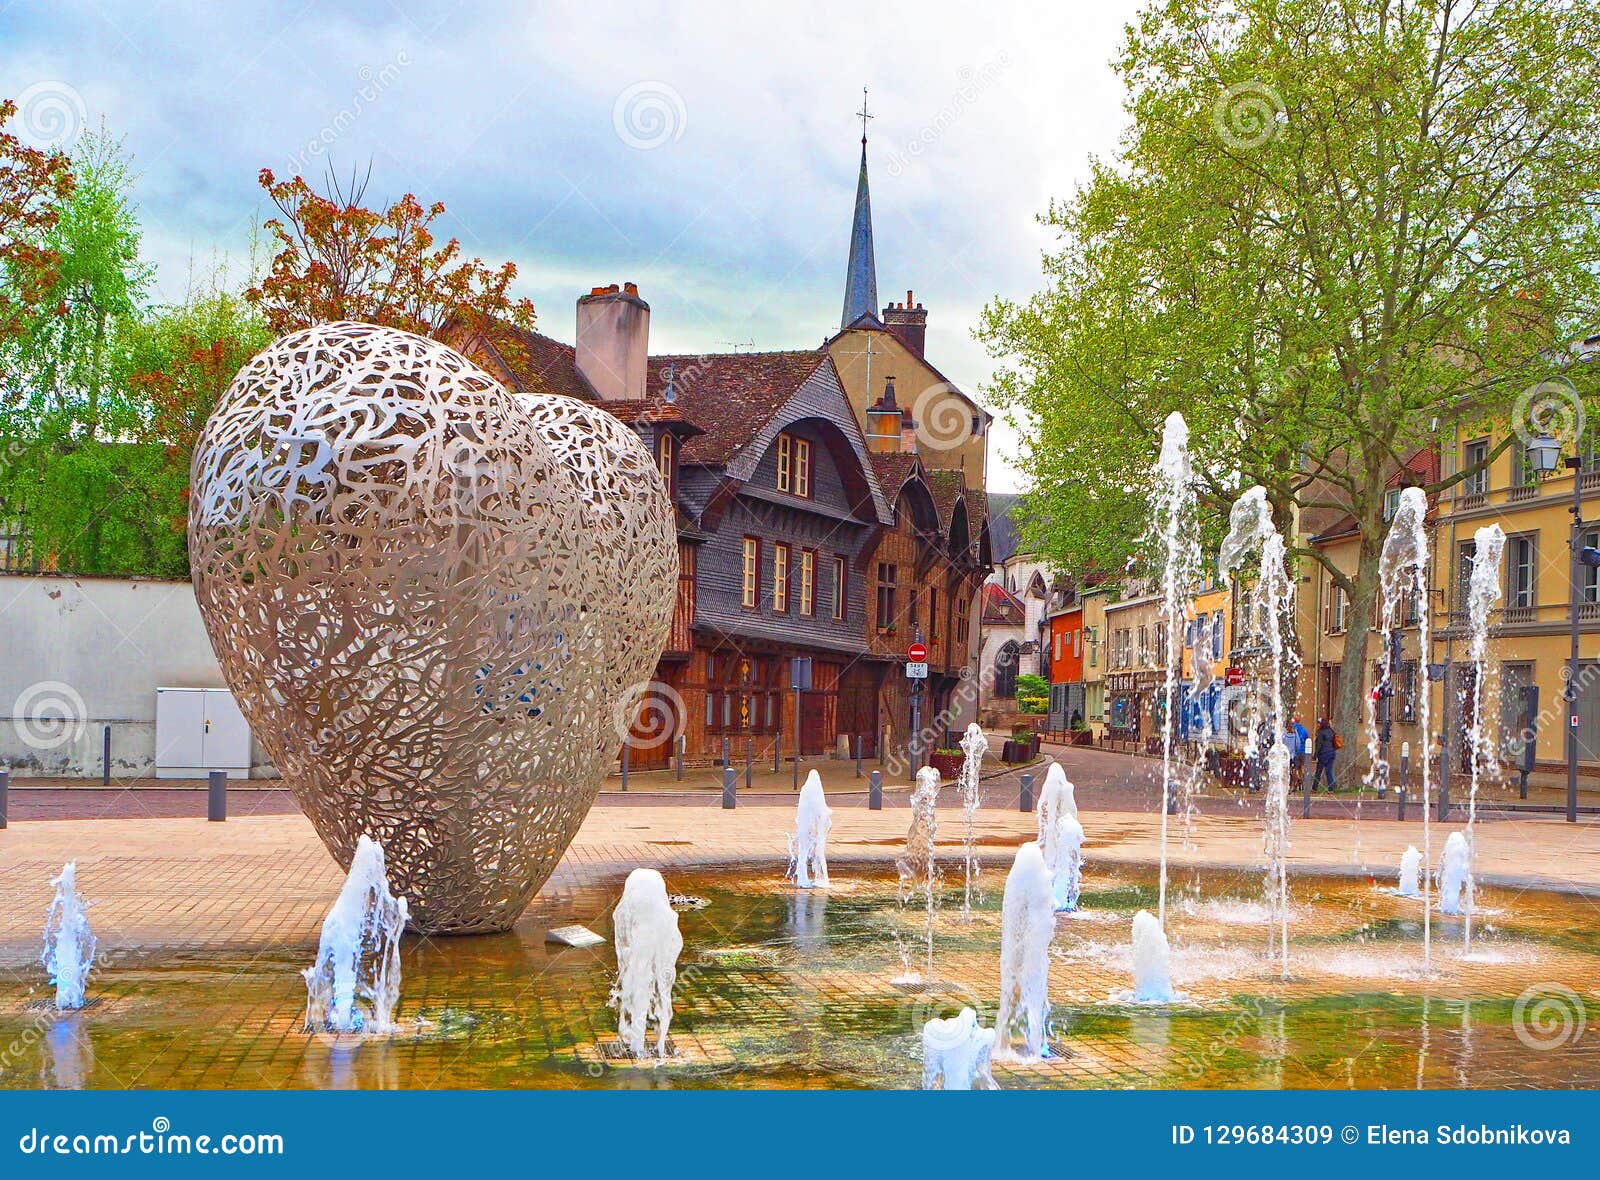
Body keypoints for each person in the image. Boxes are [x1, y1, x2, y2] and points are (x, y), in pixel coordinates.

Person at [1312, 718, 1338, 792]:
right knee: (1329, 771)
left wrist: (1315, 755)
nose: (1317, 725)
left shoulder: (1320, 733)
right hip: (1331, 753)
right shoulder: (1331, 731)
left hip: (1323, 754)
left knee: (1318, 772)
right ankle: (1331, 788)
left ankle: (1314, 787)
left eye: (1318, 723)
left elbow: (1319, 745)